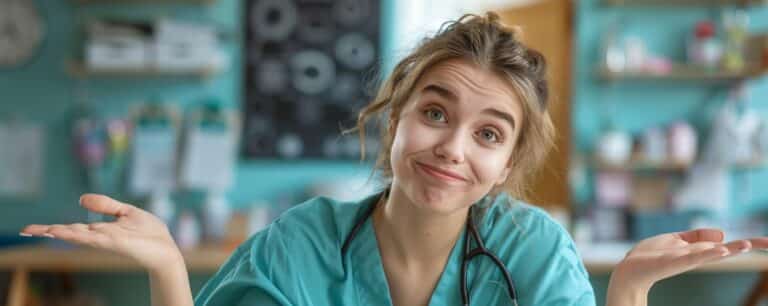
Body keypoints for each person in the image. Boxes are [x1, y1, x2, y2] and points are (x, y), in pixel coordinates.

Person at [20, 12, 767, 306]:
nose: (451, 147)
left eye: (488, 132)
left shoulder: (534, 252)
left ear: (506, 164)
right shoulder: (301, 245)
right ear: (394, 122)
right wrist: (167, 271)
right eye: (435, 113)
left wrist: (630, 289)